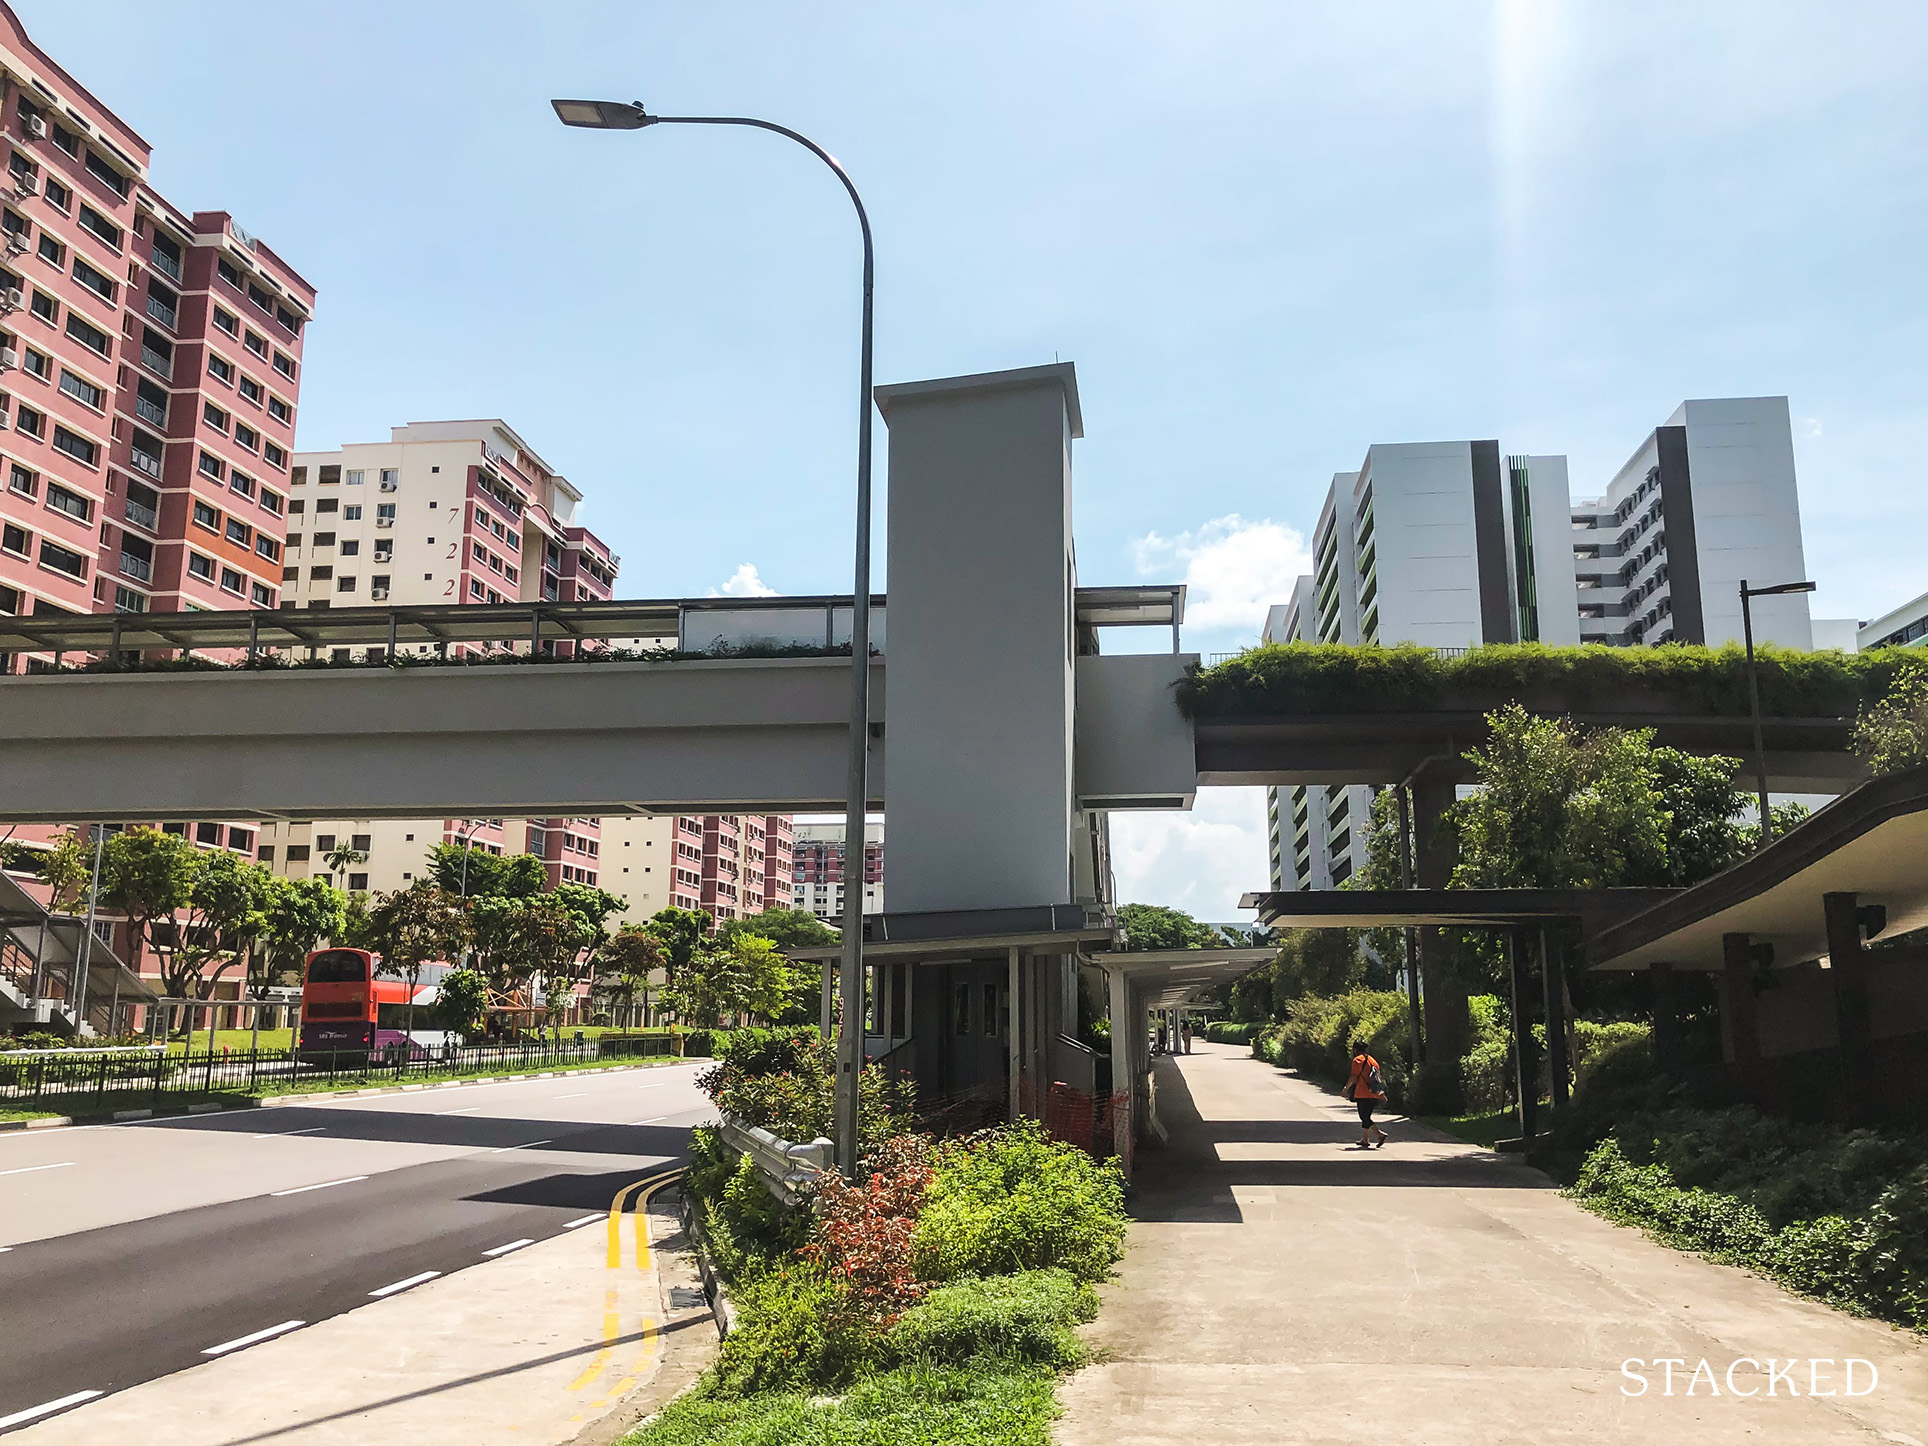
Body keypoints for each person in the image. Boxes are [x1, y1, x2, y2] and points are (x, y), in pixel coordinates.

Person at [1343, 1042, 1389, 1148]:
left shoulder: (1358, 1060)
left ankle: (1379, 1135)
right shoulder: (1373, 1061)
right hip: (1374, 1092)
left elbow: (1354, 1076)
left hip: (1363, 1092)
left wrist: (1346, 1089)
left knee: (1364, 1116)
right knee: (1366, 1115)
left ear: (1355, 1050)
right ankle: (1365, 1139)